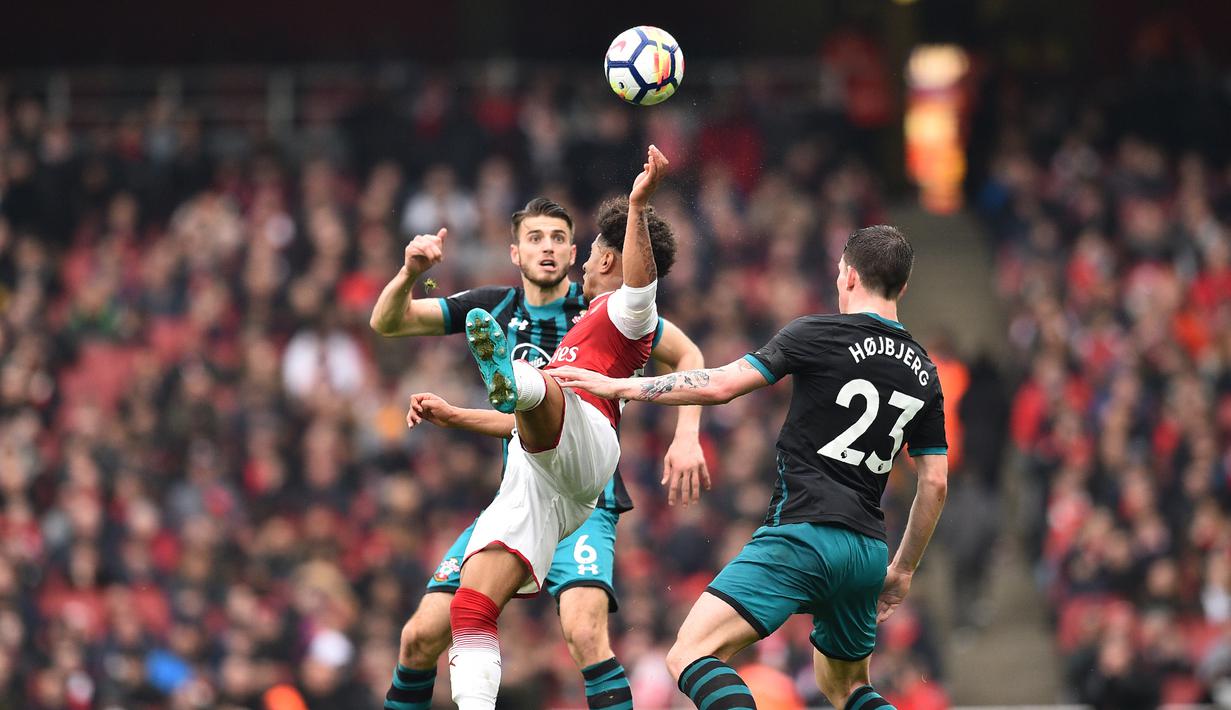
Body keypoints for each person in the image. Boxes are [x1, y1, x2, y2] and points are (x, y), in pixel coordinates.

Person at [554, 225, 950, 710]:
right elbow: (934, 482)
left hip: (802, 534)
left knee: (689, 653)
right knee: (846, 687)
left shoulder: (818, 333)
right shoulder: (926, 371)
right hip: (867, 549)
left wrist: (620, 387)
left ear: (847, 276)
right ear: (903, 287)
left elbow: (721, 385)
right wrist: (904, 568)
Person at [370, 175, 707, 709]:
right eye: (535, 237)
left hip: (585, 484)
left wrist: (687, 436)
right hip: (524, 481)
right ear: (516, 251)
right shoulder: (495, 307)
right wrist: (411, 272)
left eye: (558, 238)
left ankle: (519, 381)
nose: (547, 246)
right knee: (423, 635)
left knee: (583, 630)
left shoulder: (608, 306)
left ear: (580, 254)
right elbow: (387, 321)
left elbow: (687, 353)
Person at [445, 145, 675, 710]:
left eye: (593, 250)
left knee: (542, 384)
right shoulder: (584, 322)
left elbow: (642, 284)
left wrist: (639, 204)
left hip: (588, 445)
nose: (583, 260)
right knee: (471, 605)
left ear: (604, 260)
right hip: (537, 476)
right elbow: (517, 427)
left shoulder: (623, 313)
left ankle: (510, 375)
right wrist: (450, 415)